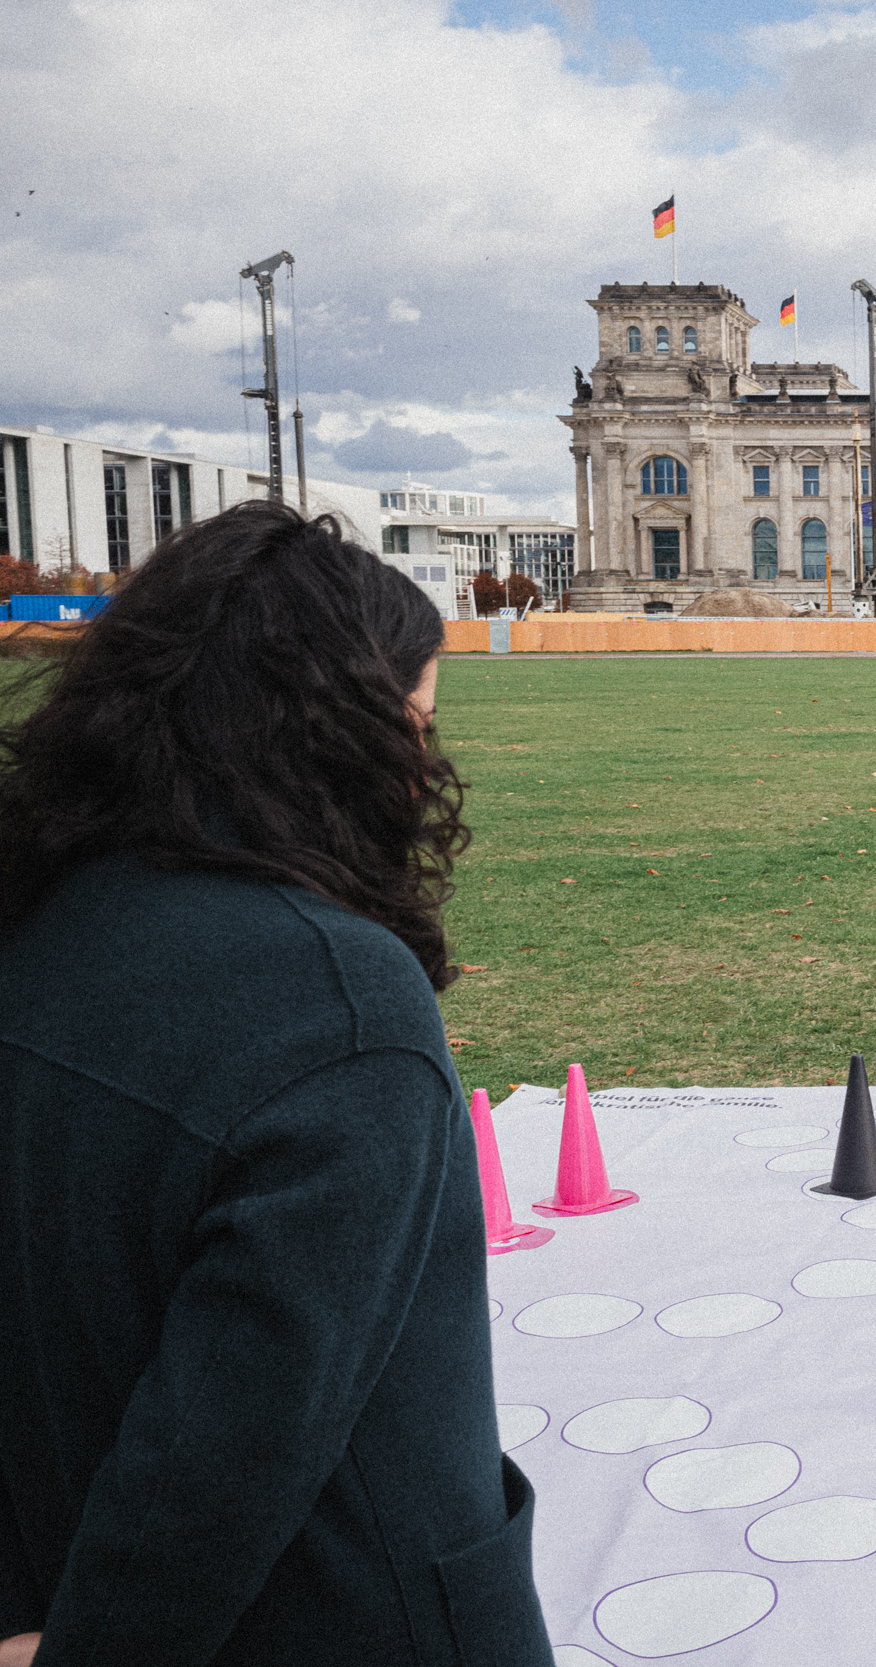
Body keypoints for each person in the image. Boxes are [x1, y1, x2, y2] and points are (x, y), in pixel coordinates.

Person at [0, 503, 555, 1667]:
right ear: (333, 735)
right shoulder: (337, 1001)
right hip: (344, 1613)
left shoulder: (40, 914)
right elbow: (227, 1440)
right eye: (413, 727)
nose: (422, 774)